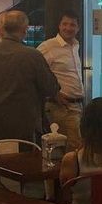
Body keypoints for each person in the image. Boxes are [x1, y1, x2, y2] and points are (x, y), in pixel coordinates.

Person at [0, 10, 60, 143]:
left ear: (3, 29)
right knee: (25, 157)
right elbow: (51, 88)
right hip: (25, 129)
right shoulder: (32, 55)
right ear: (25, 30)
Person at [38, 10, 85, 151]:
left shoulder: (75, 45)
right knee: (73, 148)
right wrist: (53, 93)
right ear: (59, 26)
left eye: (72, 25)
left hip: (77, 106)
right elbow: (36, 72)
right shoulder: (48, 46)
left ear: (78, 28)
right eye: (65, 24)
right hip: (62, 107)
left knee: (74, 147)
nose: (68, 28)